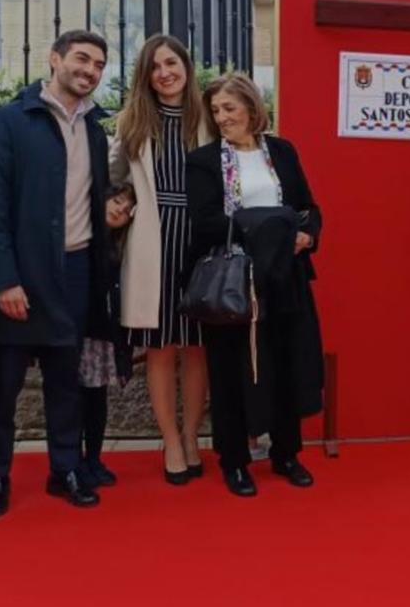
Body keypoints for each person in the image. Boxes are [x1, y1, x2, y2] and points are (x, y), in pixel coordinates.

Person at [0, 30, 112, 515]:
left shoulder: (96, 128)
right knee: (3, 386)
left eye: (98, 64)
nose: (89, 70)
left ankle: (65, 468)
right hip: (19, 274)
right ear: (54, 59)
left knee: (65, 381)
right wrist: (4, 280)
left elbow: (95, 198)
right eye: (81, 59)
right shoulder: (8, 123)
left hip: (76, 270)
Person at [186, 73, 324, 498]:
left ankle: (286, 454)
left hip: (286, 276)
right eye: (216, 111)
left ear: (251, 107)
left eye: (230, 108)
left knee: (286, 363)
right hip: (234, 281)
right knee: (229, 370)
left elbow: (306, 208)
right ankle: (234, 461)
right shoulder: (205, 161)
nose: (222, 117)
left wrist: (307, 233)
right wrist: (277, 226)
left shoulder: (281, 151)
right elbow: (206, 221)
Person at [110, 35, 211, 484]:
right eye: (154, 67)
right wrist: (119, 200)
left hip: (199, 242)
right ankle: (169, 439)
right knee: (160, 347)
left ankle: (191, 435)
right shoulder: (132, 123)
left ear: (186, 67)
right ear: (145, 77)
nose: (164, 72)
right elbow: (112, 182)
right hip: (154, 241)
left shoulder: (208, 116)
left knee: (197, 346)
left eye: (171, 63)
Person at [77, 184, 137, 488]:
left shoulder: (118, 247)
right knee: (75, 401)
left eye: (126, 210)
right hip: (80, 331)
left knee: (97, 401)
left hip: (103, 334)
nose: (119, 210)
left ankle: (94, 458)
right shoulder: (82, 238)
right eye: (116, 201)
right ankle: (72, 461)